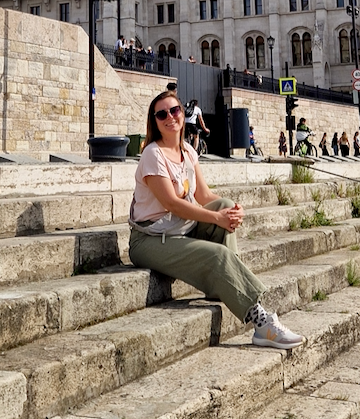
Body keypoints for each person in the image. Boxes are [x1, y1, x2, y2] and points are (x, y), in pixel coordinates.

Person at [128, 90, 303, 349]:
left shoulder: (187, 150)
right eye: (161, 114)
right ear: (154, 121)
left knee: (224, 205)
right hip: (149, 239)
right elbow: (171, 203)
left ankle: (224, 286)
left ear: (183, 114)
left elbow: (204, 194)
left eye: (174, 110)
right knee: (218, 255)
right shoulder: (153, 154)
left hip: (178, 230)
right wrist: (216, 218)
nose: (170, 118)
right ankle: (261, 323)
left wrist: (232, 211)